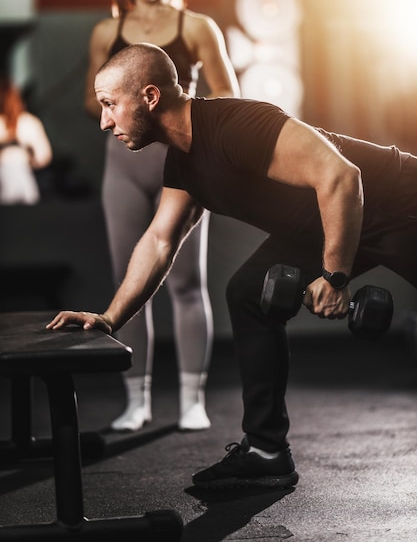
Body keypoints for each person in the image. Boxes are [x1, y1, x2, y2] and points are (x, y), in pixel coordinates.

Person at [48, 43, 417, 489]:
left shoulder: (235, 124)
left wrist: (335, 277)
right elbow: (161, 241)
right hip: (324, 223)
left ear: (149, 97)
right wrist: (109, 318)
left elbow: (342, 178)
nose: (105, 121)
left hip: (400, 203)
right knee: (248, 293)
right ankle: (266, 451)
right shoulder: (184, 163)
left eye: (110, 104)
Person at [84, 0, 240, 432]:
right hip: (123, 171)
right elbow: (93, 100)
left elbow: (230, 103)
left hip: (183, 168)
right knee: (129, 280)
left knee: (188, 284)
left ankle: (192, 398)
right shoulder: (107, 31)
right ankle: (137, 400)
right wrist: (124, 99)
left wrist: (175, 111)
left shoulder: (195, 28)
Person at [0, 76, 52, 204]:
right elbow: (43, 157)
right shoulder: (30, 122)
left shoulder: (27, 121)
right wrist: (29, 160)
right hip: (26, 187)